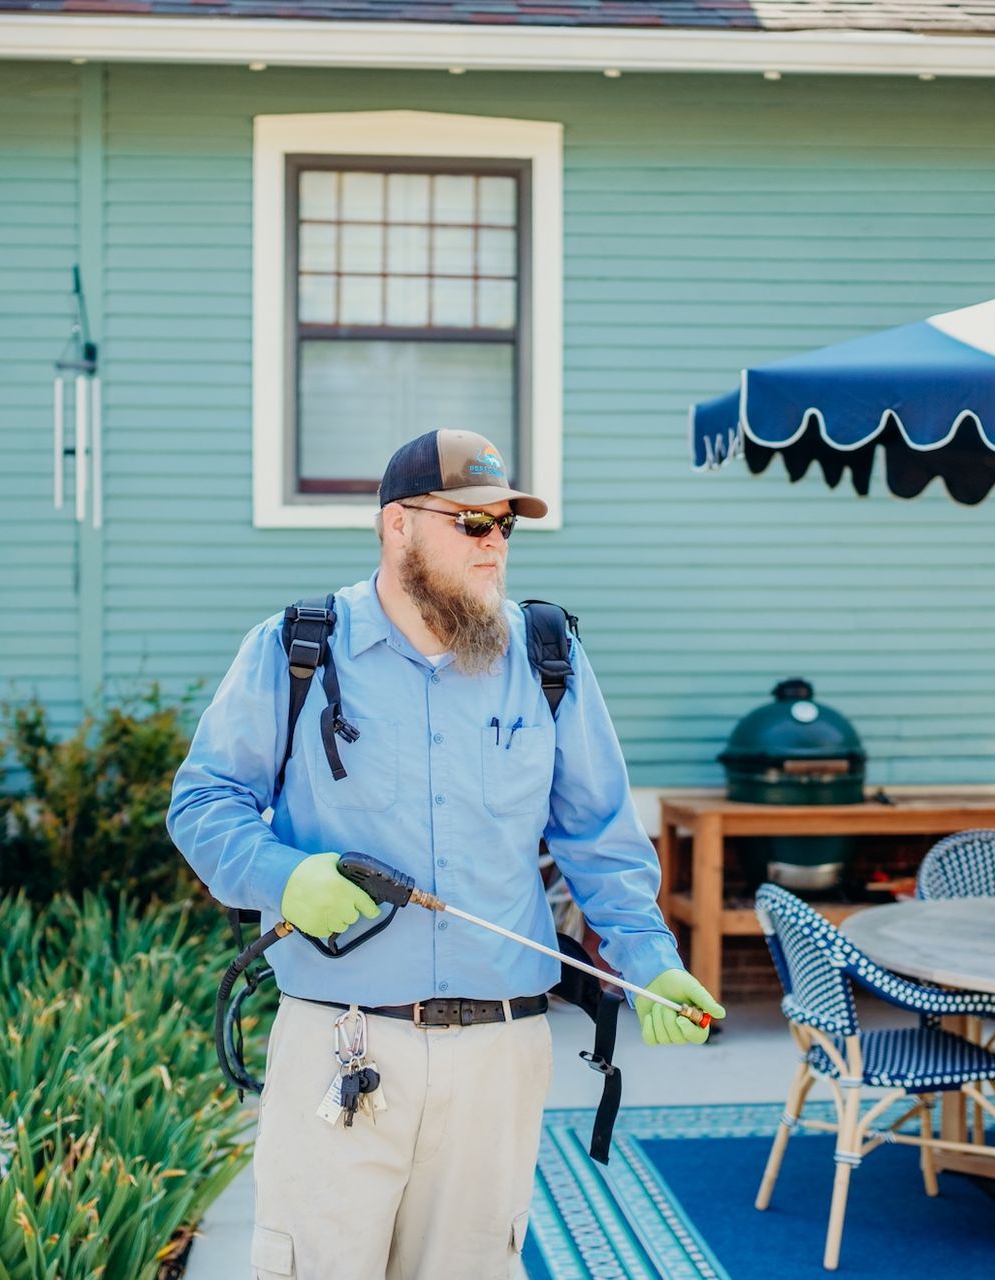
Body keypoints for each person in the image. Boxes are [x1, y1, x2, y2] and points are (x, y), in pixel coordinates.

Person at [168, 429, 722, 1280]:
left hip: (500, 1057)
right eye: (470, 522)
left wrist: (650, 959)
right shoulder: (294, 650)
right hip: (338, 1044)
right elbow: (203, 804)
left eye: (506, 524)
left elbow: (599, 837)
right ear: (398, 526)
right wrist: (284, 877)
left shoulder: (549, 659)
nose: (494, 542)